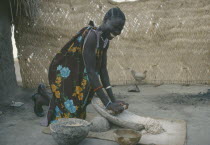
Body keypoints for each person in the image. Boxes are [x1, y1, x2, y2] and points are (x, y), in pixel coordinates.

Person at [32, 7, 129, 126]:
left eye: (120, 29)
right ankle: (40, 99)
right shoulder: (92, 36)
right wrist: (108, 104)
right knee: (70, 112)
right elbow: (91, 72)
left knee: (77, 106)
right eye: (115, 27)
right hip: (64, 71)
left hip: (78, 73)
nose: (118, 32)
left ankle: (43, 97)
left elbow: (103, 70)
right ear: (106, 19)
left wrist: (113, 100)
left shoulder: (105, 40)